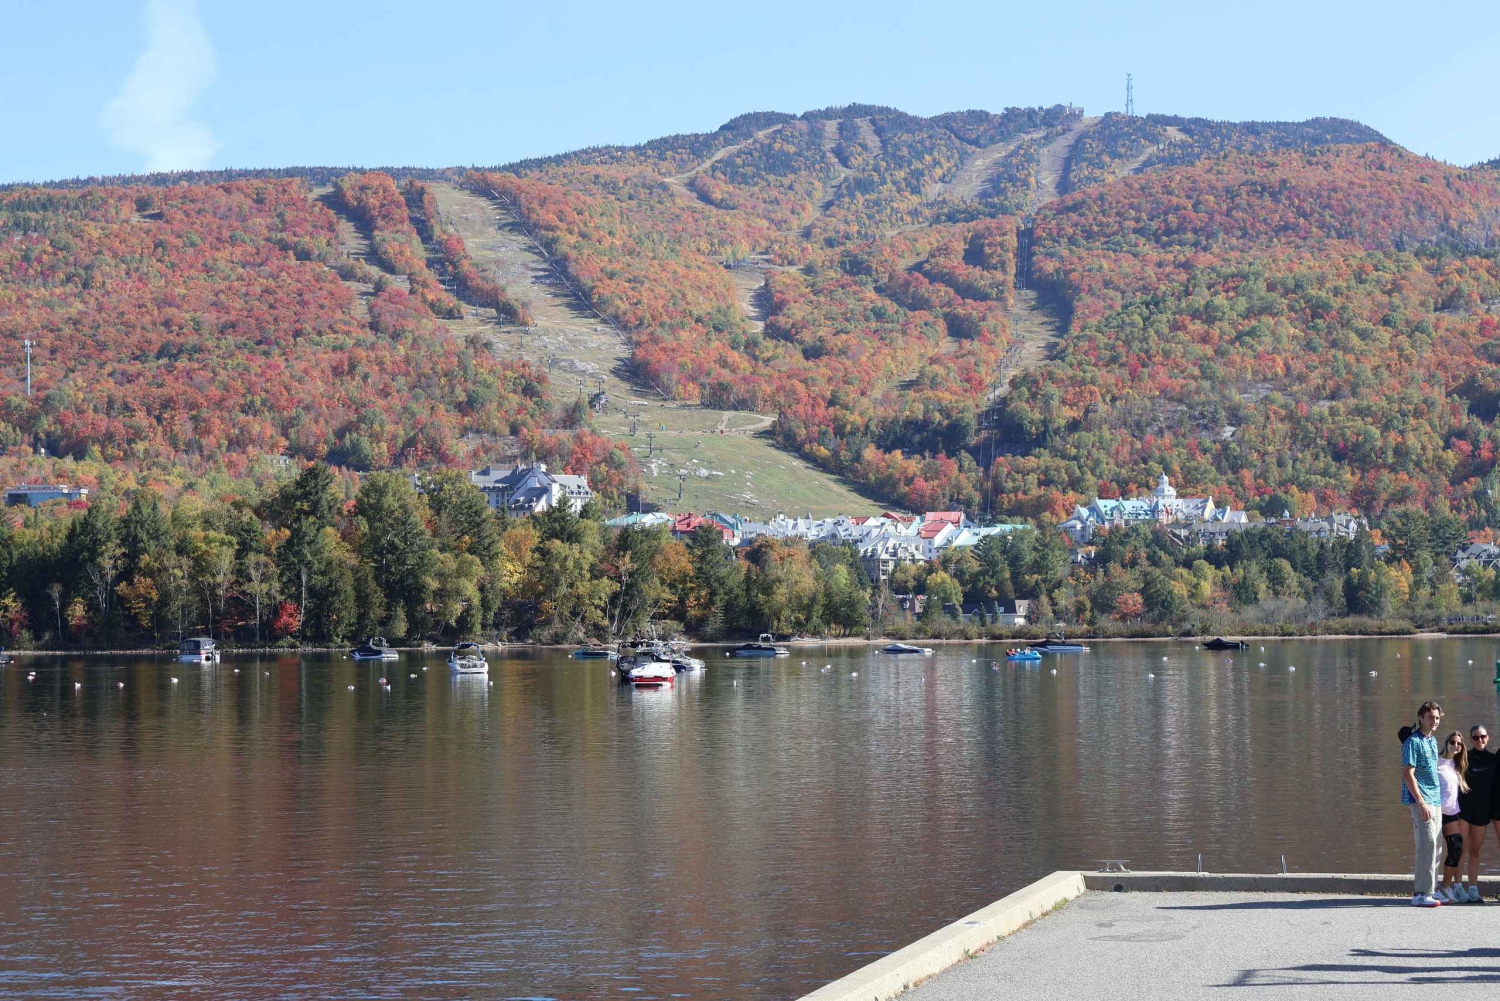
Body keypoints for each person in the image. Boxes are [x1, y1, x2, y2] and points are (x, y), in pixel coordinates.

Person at [1402, 701, 1446, 907]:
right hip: (1422, 800)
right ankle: (1420, 893)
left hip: (1435, 799)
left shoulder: (1433, 740)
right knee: (1426, 845)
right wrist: (1421, 802)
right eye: (1430, 717)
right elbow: (1407, 774)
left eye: (1437, 718)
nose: (1434, 721)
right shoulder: (1413, 742)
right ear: (1421, 718)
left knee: (1436, 847)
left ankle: (1431, 890)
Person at [1460, 724, 1496, 903]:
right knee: (1460, 849)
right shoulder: (1464, 756)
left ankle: (1473, 889)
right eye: (1475, 737)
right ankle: (1457, 887)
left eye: (1482, 737)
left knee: (1475, 850)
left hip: (1483, 812)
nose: (1480, 740)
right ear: (1470, 740)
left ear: (1487, 737)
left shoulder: (1493, 759)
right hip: (1464, 810)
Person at [1436, 731, 1470, 901]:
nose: (1456, 745)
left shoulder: (1457, 765)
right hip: (1435, 812)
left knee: (1456, 848)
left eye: (1459, 743)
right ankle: (1428, 889)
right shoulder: (1436, 761)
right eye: (1453, 742)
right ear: (1446, 742)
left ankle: (1445, 887)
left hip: (1451, 813)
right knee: (1433, 852)